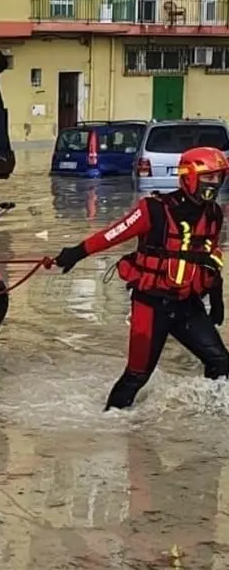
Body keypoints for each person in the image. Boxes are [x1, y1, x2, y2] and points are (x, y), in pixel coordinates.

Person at [54, 146, 229, 411]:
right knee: (137, 375)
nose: (214, 183)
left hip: (187, 305)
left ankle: (207, 421)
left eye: (219, 177)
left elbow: (209, 257)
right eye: (209, 177)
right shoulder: (153, 209)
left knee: (221, 362)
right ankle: (110, 423)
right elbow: (113, 235)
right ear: (190, 176)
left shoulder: (214, 214)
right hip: (151, 305)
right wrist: (76, 253)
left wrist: (216, 298)